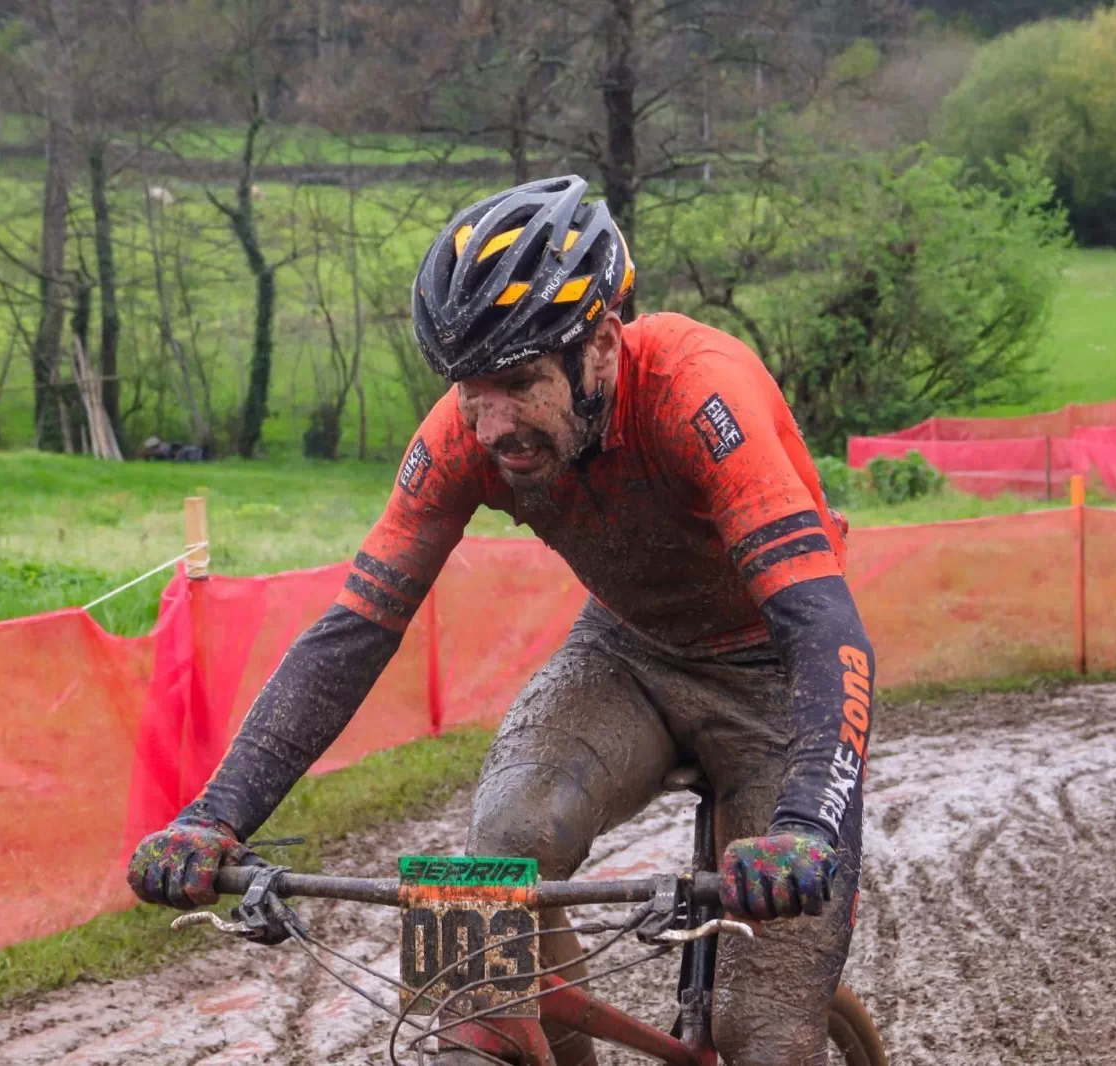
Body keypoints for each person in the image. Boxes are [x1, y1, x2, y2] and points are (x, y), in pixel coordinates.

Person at [127, 176, 874, 1065]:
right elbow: (352, 634)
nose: (492, 424)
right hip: (627, 654)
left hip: (776, 678)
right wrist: (214, 818)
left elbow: (825, 625)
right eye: (470, 390)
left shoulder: (696, 388)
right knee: (496, 859)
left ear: (601, 346)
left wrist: (802, 826)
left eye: (520, 384)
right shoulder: (462, 434)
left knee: (765, 1036)